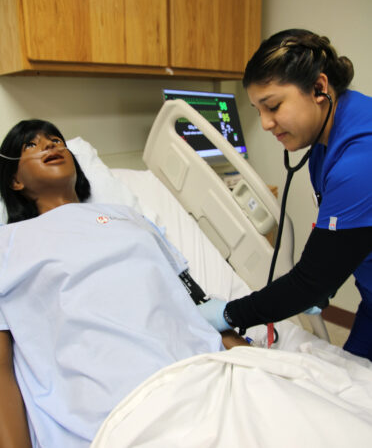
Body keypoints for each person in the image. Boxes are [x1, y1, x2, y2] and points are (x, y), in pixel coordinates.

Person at [0, 119, 248, 447]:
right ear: (15, 181)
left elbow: (196, 304)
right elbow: (3, 369)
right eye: (30, 145)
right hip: (111, 408)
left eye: (56, 139)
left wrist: (253, 361)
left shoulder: (129, 217)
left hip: (201, 372)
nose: (50, 145)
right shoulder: (9, 244)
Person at [198, 28, 372, 361]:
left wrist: (229, 314)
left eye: (273, 106)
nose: (264, 123)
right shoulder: (323, 142)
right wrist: (327, 280)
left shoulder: (361, 156)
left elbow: (309, 281)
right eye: (258, 110)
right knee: (355, 379)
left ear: (319, 88)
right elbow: (342, 238)